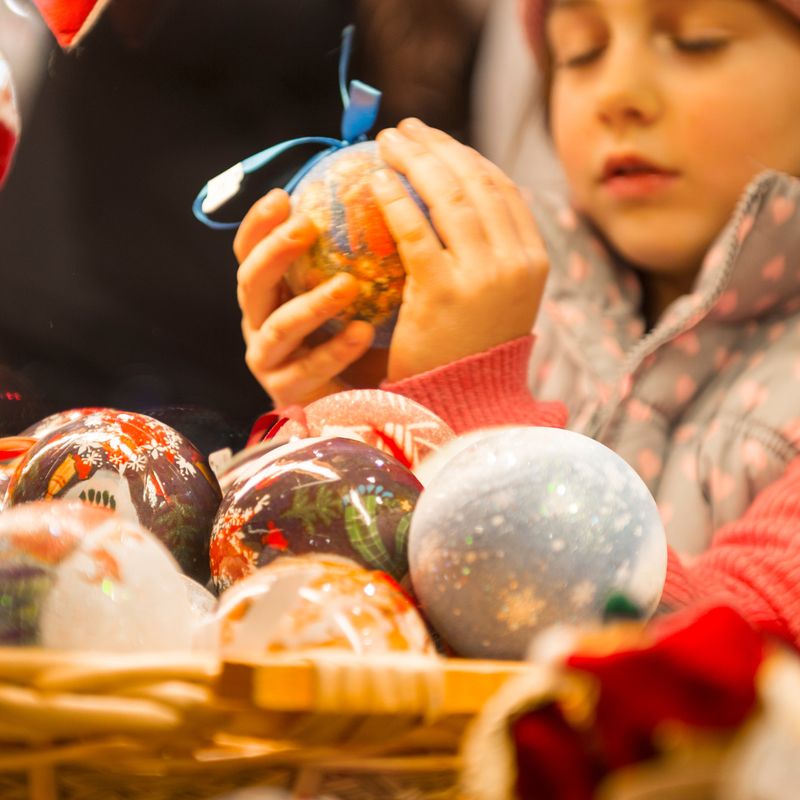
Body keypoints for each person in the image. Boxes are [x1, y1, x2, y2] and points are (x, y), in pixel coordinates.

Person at [233, 0, 800, 647]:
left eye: (697, 41)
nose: (616, 93)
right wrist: (355, 421)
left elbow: (741, 653)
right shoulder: (509, 317)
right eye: (580, 53)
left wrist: (480, 423)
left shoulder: (489, 342)